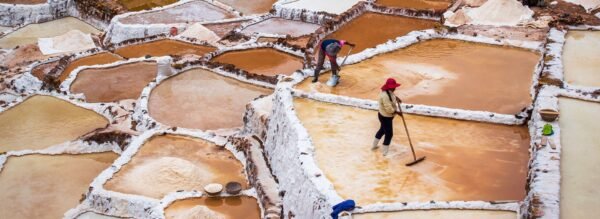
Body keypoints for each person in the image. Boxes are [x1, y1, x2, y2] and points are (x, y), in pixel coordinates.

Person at [372, 78, 402, 156]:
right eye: (393, 87)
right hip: (385, 117)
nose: (395, 88)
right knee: (389, 134)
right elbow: (388, 109)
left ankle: (374, 146)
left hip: (385, 115)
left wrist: (396, 98)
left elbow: (392, 97)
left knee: (382, 130)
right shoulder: (385, 95)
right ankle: (385, 153)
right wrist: (397, 112)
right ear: (389, 87)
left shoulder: (389, 92)